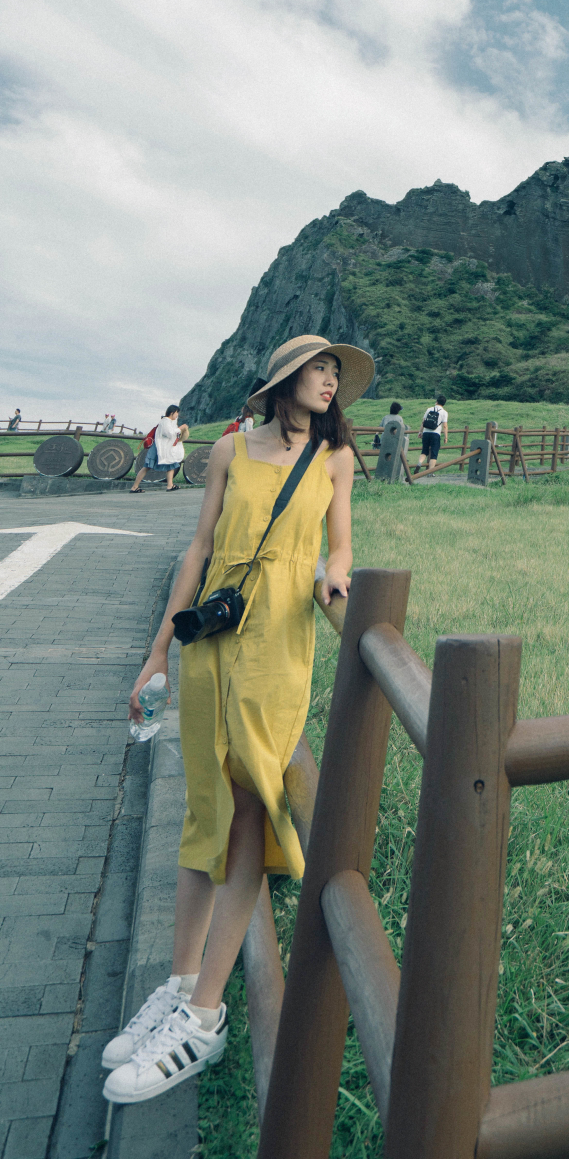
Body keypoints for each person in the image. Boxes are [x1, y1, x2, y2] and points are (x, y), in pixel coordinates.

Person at [105, 335, 369, 1108]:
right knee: (203, 798)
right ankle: (181, 981)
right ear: (285, 380)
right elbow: (196, 551)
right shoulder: (228, 450)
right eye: (320, 371)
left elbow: (340, 548)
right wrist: (157, 653)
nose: (330, 383)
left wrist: (338, 587)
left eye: (335, 374)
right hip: (213, 634)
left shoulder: (335, 460)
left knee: (250, 796)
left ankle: (207, 1013)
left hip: (277, 642)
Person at [132, 405, 188, 493]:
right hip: (158, 447)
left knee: (171, 465)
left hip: (165, 448)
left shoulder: (170, 422)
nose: (177, 415)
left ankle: (170, 485)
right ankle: (134, 487)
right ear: (172, 412)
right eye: (177, 413)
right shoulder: (165, 421)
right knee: (147, 466)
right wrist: (180, 428)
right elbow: (169, 433)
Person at [375, 402, 408, 483]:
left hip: (385, 438)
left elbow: (380, 427)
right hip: (395, 439)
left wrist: (376, 435)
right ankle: (389, 473)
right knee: (392, 456)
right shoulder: (399, 418)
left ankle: (382, 472)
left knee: (384, 455)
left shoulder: (385, 417)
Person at [418, 396, 449, 473]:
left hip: (426, 432)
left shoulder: (429, 409)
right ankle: (430, 472)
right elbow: (445, 426)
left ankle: (419, 463)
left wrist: (420, 432)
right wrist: (446, 437)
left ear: (437, 401)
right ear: (444, 403)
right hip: (435, 434)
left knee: (424, 451)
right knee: (434, 453)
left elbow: (423, 422)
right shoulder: (444, 412)